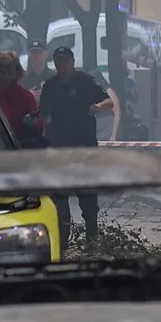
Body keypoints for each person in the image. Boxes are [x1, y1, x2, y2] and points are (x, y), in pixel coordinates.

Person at [37, 46, 115, 246]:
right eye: (57, 61)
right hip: (59, 146)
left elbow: (109, 101)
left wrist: (97, 107)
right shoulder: (51, 85)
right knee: (60, 195)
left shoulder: (86, 81)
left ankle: (92, 237)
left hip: (84, 145)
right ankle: (63, 238)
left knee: (87, 194)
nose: (60, 64)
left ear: (72, 61)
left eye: (63, 60)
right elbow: (43, 114)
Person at [0, 51, 39, 135]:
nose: (6, 77)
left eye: (10, 73)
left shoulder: (25, 96)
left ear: (17, 73)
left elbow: (37, 123)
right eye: (2, 72)